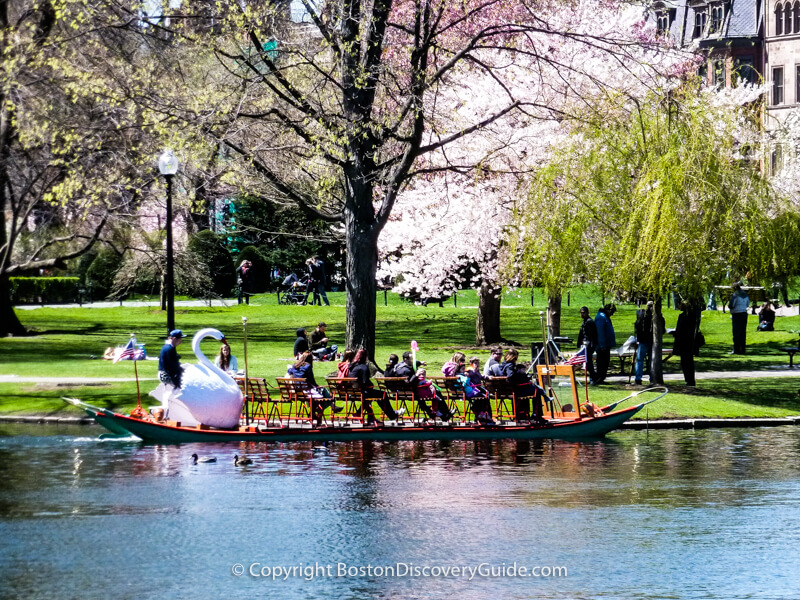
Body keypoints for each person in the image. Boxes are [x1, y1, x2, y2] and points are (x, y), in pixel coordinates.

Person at [349, 349, 405, 424]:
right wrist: (371, 385)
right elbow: (365, 381)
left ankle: (369, 416)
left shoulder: (353, 367)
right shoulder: (364, 367)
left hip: (353, 391)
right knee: (383, 394)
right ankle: (392, 415)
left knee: (376, 396)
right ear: (366, 357)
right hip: (363, 391)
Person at [287, 351, 340, 425]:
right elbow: (312, 380)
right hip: (307, 391)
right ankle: (318, 413)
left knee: (321, 393)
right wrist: (317, 386)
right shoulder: (308, 366)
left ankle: (314, 414)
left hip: (298, 392)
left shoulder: (294, 366)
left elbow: (289, 371)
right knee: (324, 394)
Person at [394, 351, 450, 421]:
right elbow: (409, 384)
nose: (413, 360)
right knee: (436, 392)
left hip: (415, 390)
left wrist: (420, 363)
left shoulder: (404, 366)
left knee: (435, 391)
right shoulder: (404, 370)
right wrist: (416, 375)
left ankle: (441, 413)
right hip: (411, 392)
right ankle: (445, 413)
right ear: (405, 359)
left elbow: (415, 364)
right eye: (411, 359)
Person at [499, 349, 546, 423]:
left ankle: (528, 414)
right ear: (513, 358)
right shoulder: (510, 365)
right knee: (537, 392)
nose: (516, 360)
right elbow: (511, 377)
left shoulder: (502, 365)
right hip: (516, 390)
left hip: (508, 390)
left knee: (535, 388)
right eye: (515, 358)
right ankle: (537, 414)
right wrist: (521, 376)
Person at [673, 301, 697, 386]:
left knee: (685, 362)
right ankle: (690, 379)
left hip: (684, 342)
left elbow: (681, 330)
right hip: (689, 342)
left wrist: (674, 333)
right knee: (689, 362)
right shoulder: (692, 316)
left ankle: (689, 379)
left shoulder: (684, 317)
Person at [594, 304, 616, 384]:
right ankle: (599, 378)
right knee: (602, 362)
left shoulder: (604, 317)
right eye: (612, 312)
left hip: (606, 344)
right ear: (608, 310)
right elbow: (600, 332)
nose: (612, 314)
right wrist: (602, 345)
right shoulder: (601, 318)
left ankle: (602, 378)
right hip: (602, 346)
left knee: (605, 362)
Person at [576, 306, 598, 383]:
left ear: (587, 313)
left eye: (584, 313)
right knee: (587, 363)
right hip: (585, 344)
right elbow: (581, 333)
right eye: (581, 313)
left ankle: (594, 377)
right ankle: (593, 377)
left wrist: (592, 346)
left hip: (589, 345)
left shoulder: (590, 322)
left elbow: (592, 335)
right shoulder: (584, 321)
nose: (582, 314)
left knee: (588, 363)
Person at [634, 301, 654, 386]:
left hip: (643, 340)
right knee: (650, 360)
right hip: (651, 341)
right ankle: (652, 377)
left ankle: (638, 378)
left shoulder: (642, 316)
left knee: (640, 360)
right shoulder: (654, 317)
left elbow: (637, 327)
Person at [728, 283, 749, 354]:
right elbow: (747, 304)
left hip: (736, 314)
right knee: (743, 332)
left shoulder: (735, 295)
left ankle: (736, 349)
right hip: (744, 313)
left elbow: (731, 305)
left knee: (736, 333)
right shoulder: (745, 295)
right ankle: (743, 349)